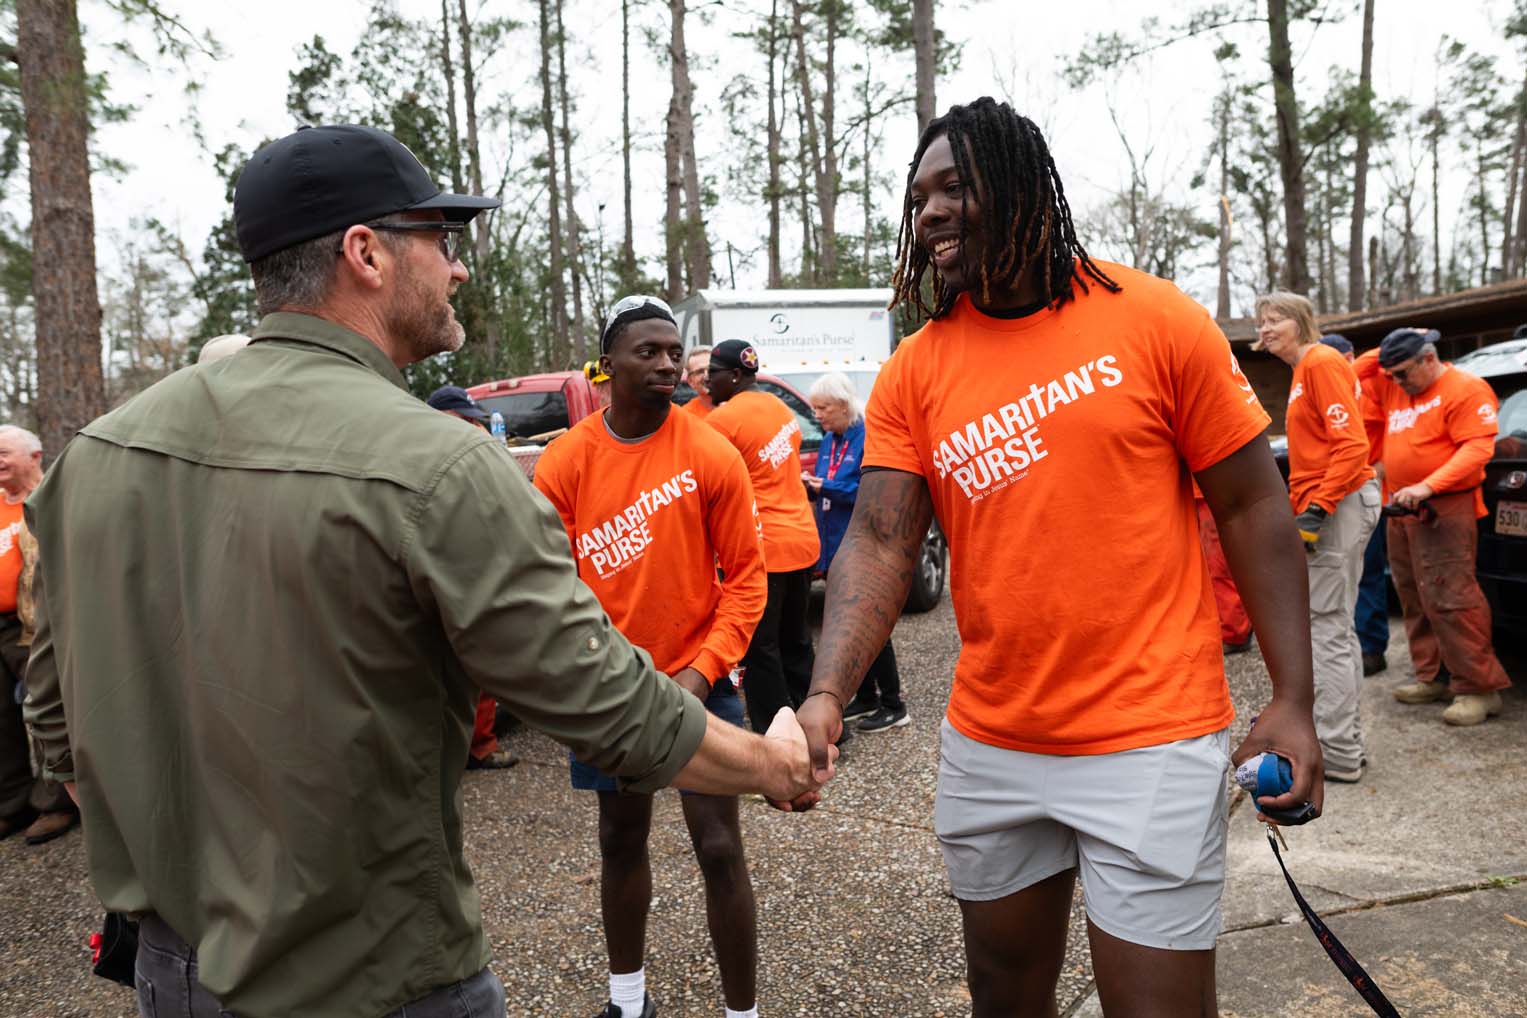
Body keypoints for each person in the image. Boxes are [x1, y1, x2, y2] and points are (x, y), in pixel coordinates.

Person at [22, 123, 828, 1018]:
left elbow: (55, 717)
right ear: (365, 253)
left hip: (171, 974)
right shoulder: (433, 464)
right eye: (440, 242)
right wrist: (769, 764)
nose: (459, 269)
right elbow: (604, 705)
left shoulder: (87, 460)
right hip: (374, 976)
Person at [797, 98, 1322, 1018]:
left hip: (1151, 737)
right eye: (918, 197)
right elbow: (880, 540)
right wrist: (827, 696)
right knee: (1003, 996)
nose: (930, 212)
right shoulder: (917, 368)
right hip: (991, 743)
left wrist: (1290, 700)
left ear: (1025, 185)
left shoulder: (1155, 318)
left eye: (955, 185)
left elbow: (1249, 504)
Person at [535, 295, 768, 1018]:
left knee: (720, 850)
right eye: (649, 351)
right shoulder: (566, 460)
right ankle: (627, 1002)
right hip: (612, 691)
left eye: (674, 351)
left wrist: (700, 674)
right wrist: (599, 677)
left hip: (701, 680)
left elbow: (747, 580)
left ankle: (742, 1012)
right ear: (607, 366)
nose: (668, 363)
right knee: (618, 838)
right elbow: (548, 587)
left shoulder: (708, 450)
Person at [1355, 326, 1512, 726]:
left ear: (1430, 358)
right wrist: (1395, 343)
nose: (1396, 382)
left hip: (1445, 507)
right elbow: (1356, 371)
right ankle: (1433, 676)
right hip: (1403, 507)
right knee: (1412, 596)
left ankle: (1478, 688)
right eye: (1391, 374)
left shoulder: (1466, 388)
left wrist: (1428, 485)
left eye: (1404, 372)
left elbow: (1478, 448)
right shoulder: (1396, 385)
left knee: (1452, 597)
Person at [1256, 294, 1380, 783]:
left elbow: (1352, 446)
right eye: (1261, 322)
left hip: (1339, 505)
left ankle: (1338, 752)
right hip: (1334, 503)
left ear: (1302, 322)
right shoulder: (1304, 370)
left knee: (1325, 629)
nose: (1265, 329)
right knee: (1336, 627)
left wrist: (1317, 510)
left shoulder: (1321, 361)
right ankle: (1346, 744)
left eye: (1275, 319)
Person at [706, 339, 821, 730]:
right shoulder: (778, 404)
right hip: (802, 540)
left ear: (734, 376)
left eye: (712, 375)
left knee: (760, 650)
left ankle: (776, 735)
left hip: (765, 548)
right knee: (797, 642)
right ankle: (817, 722)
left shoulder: (721, 421)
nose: (706, 383)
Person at [803, 372, 908, 733]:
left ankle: (894, 703)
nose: (817, 415)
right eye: (814, 408)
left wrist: (825, 486)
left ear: (844, 405)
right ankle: (866, 697)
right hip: (834, 544)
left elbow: (864, 489)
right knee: (845, 624)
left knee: (870, 623)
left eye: (823, 408)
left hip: (863, 545)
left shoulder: (866, 437)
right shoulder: (830, 439)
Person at [426, 384, 519, 771]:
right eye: (463, 419)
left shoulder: (464, 445)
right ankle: (477, 746)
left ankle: (470, 744)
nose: (470, 427)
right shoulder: (432, 448)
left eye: (472, 420)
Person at [0, 425, 77, 845]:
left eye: (3, 452)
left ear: (34, 456)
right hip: (1, 626)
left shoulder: (50, 498)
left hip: (34, 629)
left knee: (44, 714)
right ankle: (11, 804)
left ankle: (55, 804)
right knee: (2, 723)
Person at [682, 345, 714, 417]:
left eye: (711, 369)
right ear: (690, 381)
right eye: (700, 371)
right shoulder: (686, 416)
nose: (707, 376)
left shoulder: (741, 405)